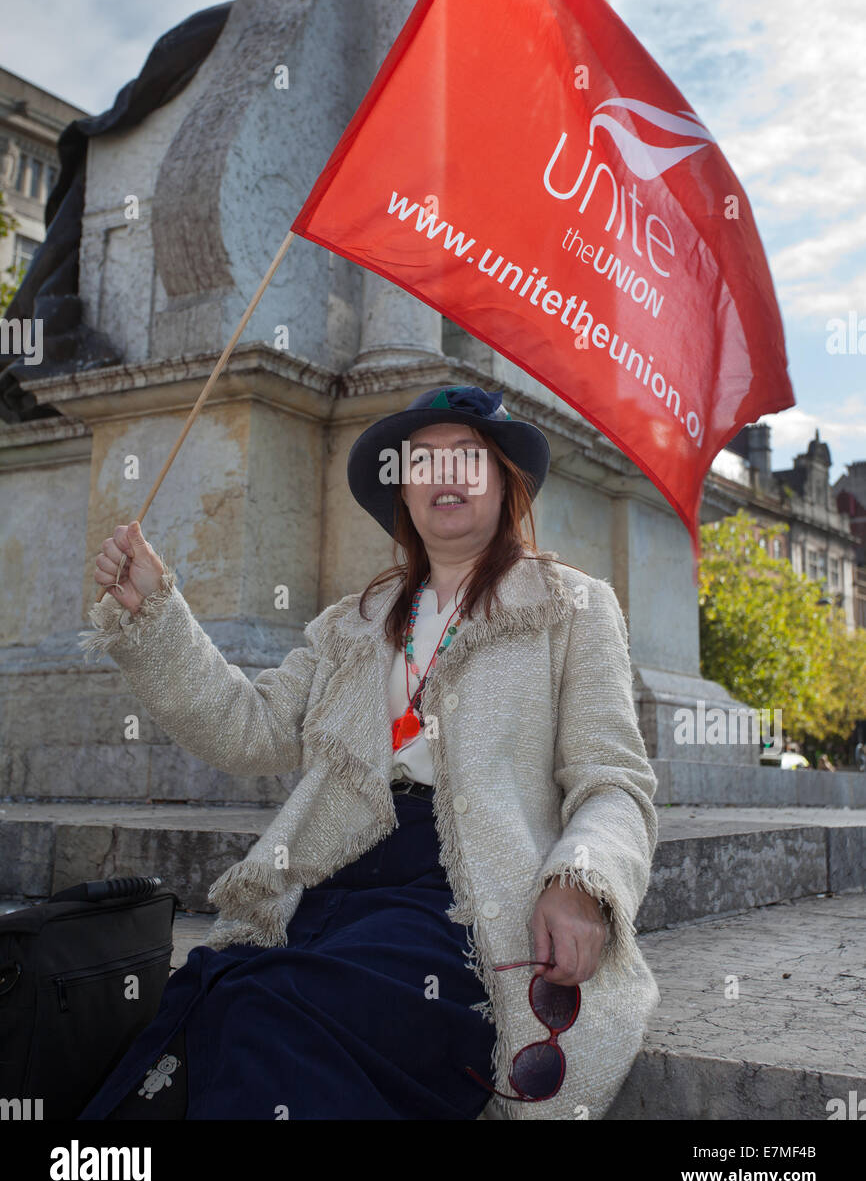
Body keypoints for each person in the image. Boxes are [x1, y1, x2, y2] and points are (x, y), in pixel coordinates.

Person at [75, 383, 659, 1121]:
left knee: (270, 1012)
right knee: (207, 999)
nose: (446, 475)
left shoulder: (570, 607)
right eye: (425, 461)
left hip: (460, 900)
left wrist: (582, 880)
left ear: (506, 484)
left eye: (469, 458)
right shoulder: (353, 625)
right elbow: (247, 727)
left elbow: (614, 782)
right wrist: (156, 614)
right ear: (403, 493)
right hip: (329, 879)